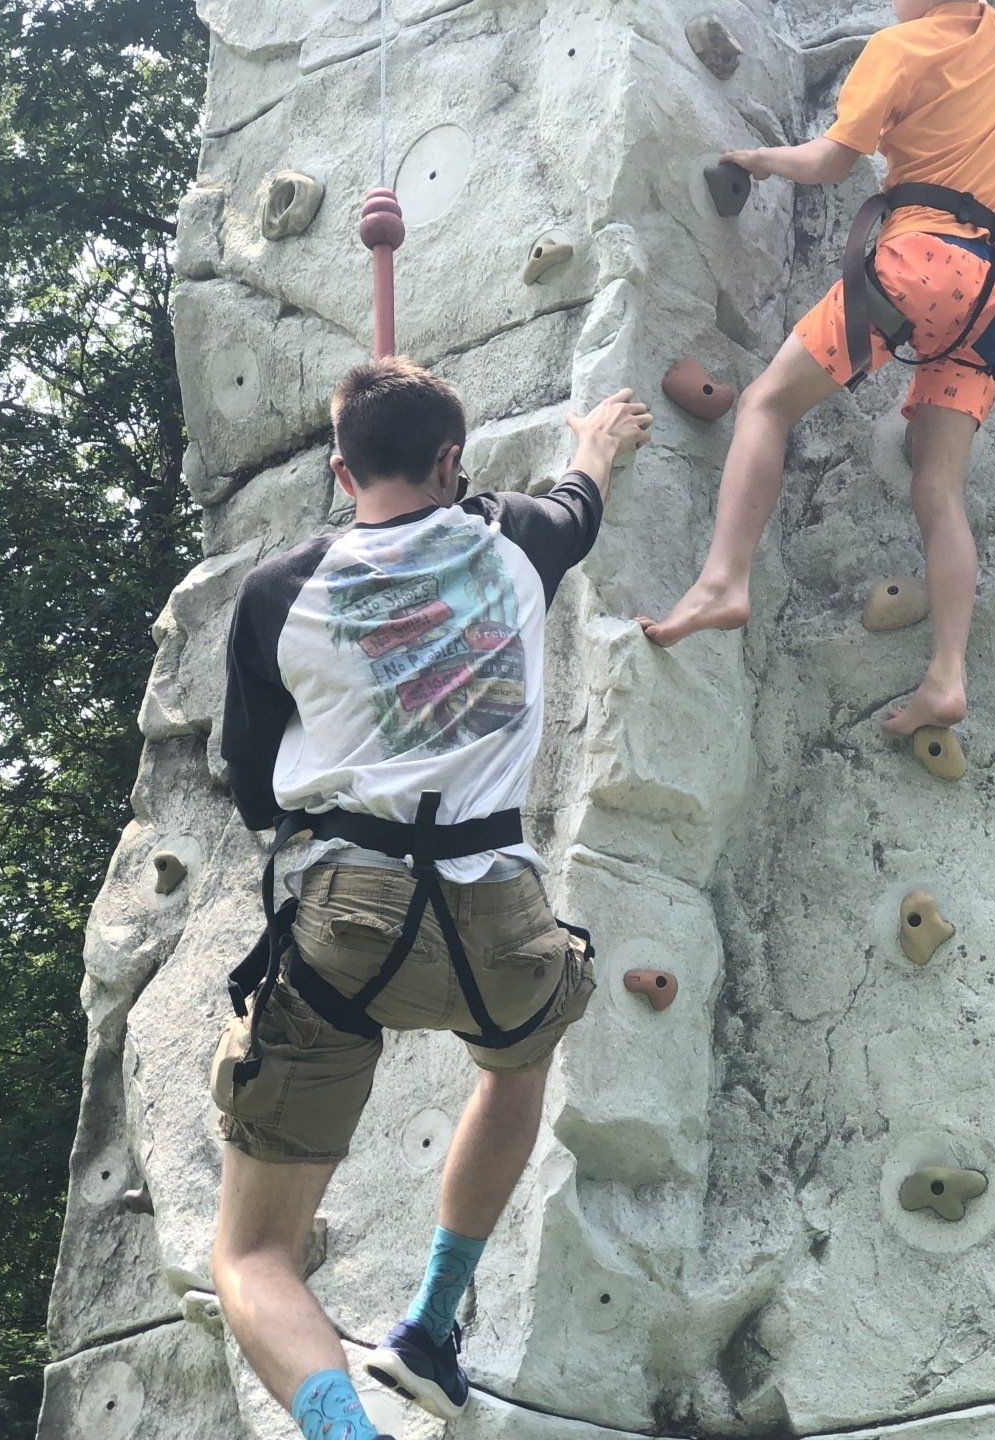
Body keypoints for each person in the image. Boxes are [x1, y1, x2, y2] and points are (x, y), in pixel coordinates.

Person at [208, 357, 651, 1440]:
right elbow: (576, 503)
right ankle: (432, 1325)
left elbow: (258, 791)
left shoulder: (277, 594)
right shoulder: (517, 541)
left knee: (254, 1254)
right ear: (452, 461)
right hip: (498, 911)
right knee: (517, 1060)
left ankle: (344, 1432)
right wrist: (598, 439)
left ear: (337, 468)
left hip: (345, 920)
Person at [640, 0, 995, 740]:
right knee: (938, 487)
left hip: (921, 263)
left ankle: (723, 580)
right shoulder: (991, 34)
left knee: (764, 406)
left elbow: (829, 162)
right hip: (994, 293)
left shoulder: (899, 47)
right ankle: (947, 675)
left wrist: (757, 160)